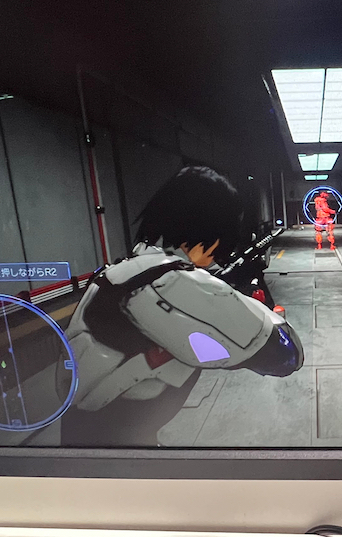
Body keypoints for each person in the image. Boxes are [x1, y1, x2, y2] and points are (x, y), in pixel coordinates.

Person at [66, 166, 304, 426]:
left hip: (91, 427)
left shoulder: (123, 270)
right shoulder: (169, 282)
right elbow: (285, 355)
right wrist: (251, 306)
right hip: (117, 435)